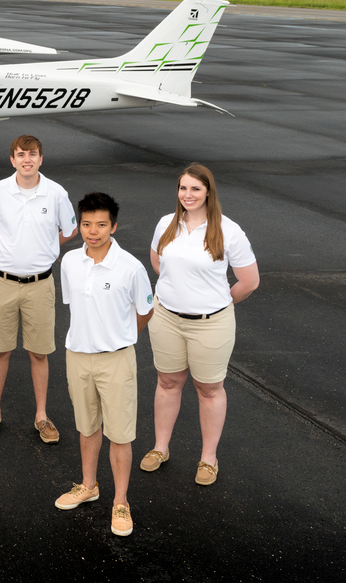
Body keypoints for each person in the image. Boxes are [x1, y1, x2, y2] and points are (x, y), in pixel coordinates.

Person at [140, 164, 259, 486]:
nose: (188, 195)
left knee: (208, 389)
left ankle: (208, 459)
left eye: (195, 189)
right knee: (167, 382)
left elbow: (249, 281)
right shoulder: (167, 223)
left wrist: (216, 304)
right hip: (165, 317)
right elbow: (157, 262)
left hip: (211, 324)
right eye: (183, 188)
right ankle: (160, 448)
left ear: (208, 192)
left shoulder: (228, 230)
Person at [55, 192, 153, 537]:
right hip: (77, 356)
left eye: (100, 225)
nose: (92, 231)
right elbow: (75, 305)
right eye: (86, 224)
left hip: (117, 361)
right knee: (86, 428)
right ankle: (88, 485)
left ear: (114, 226)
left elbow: (145, 310)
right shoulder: (69, 262)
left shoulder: (131, 268)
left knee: (120, 434)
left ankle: (121, 501)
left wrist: (120, 336)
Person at [0, 135, 77, 444]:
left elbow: (70, 230)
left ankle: (42, 416)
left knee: (39, 353)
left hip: (40, 285)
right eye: (21, 154)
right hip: (4, 283)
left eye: (33, 154)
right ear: (13, 160)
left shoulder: (56, 193)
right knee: (0, 349)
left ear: (41, 159)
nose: (27, 159)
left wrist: (47, 248)